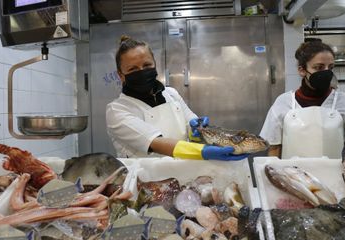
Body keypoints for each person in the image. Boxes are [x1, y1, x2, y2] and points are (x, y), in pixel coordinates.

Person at [106, 35, 248, 161]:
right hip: (144, 179)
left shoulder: (171, 94)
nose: (142, 72)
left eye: (147, 65)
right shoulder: (117, 110)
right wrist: (203, 152)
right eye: (133, 69)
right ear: (121, 75)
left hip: (182, 171)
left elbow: (191, 127)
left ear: (155, 65)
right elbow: (155, 143)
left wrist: (196, 130)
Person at [260, 41, 345, 159]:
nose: (326, 72)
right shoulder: (283, 103)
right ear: (302, 70)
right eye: (319, 67)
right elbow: (274, 148)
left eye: (330, 67)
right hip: (293, 175)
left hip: (334, 175)